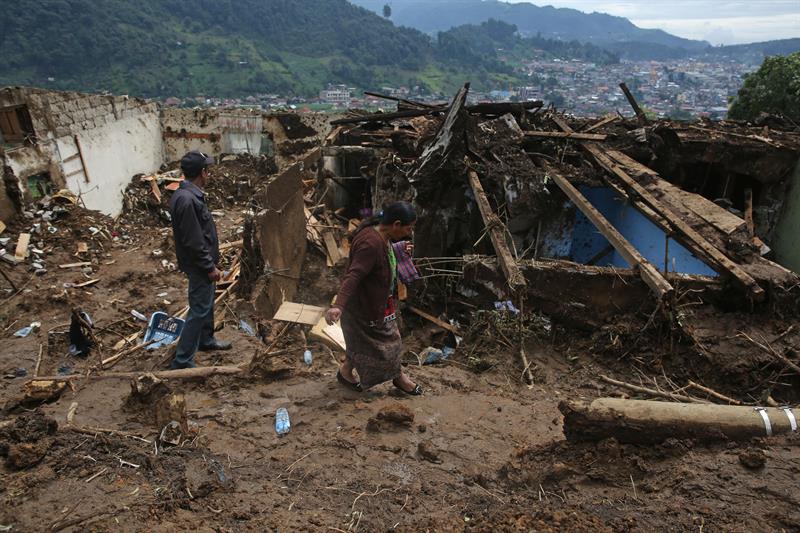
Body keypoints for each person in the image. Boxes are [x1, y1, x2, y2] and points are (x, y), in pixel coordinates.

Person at [325, 201, 422, 395]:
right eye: (408, 228)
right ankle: (399, 378)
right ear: (395, 224)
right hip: (363, 307)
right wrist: (338, 306)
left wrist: (399, 250)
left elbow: (381, 257)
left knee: (361, 344)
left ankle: (345, 372)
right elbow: (354, 275)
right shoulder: (370, 244)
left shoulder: (378, 235)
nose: (409, 233)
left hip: (377, 303)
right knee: (390, 344)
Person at [169, 150, 231, 369]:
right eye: (208, 170)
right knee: (198, 310)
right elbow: (194, 241)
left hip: (202, 263)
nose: (209, 174)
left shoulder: (189, 195)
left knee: (206, 305)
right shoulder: (187, 200)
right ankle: (183, 359)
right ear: (202, 173)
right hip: (198, 265)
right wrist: (208, 266)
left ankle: (206, 340)